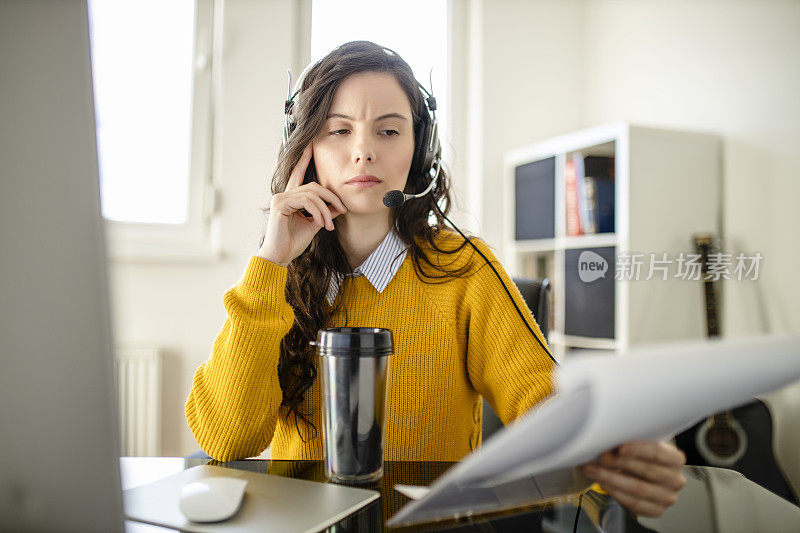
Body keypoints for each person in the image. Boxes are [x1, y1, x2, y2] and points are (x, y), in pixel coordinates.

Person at [185, 40, 686, 518]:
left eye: (388, 130)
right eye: (339, 130)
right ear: (306, 149)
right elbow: (226, 437)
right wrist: (271, 259)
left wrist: (619, 458)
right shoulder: (275, 280)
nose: (363, 151)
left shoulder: (465, 268)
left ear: (419, 149)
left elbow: (543, 402)